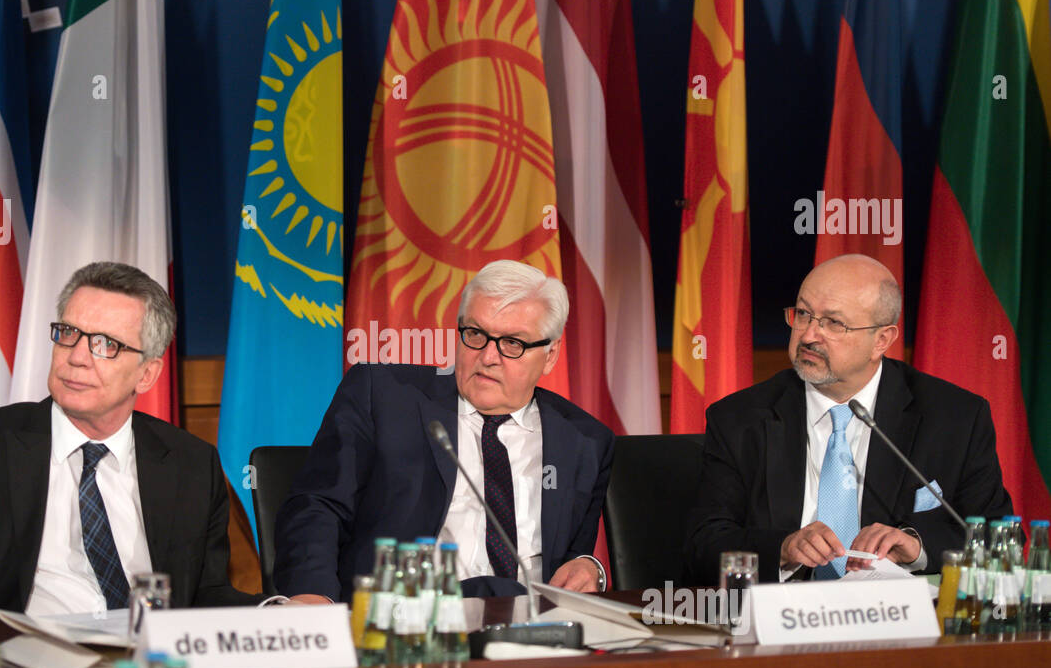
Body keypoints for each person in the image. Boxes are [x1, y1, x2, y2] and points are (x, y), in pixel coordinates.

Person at [0, 262, 262, 620]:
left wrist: (275, 613)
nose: (77, 356)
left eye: (105, 345)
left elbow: (204, 597)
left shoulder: (191, 465)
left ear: (147, 374)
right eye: (68, 333)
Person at [273, 260, 616, 602]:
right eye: (476, 334)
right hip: (402, 624)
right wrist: (311, 596)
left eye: (512, 343)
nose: (488, 357)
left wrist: (589, 567)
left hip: (531, 632)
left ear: (551, 354)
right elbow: (317, 506)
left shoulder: (585, 442)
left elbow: (571, 559)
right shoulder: (382, 396)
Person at [685, 254, 1012, 585]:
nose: (809, 335)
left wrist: (918, 547)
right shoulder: (740, 419)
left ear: (881, 340)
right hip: (779, 620)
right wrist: (783, 547)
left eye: (833, 323)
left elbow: (996, 542)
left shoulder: (954, 418)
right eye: (803, 314)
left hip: (895, 622)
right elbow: (702, 544)